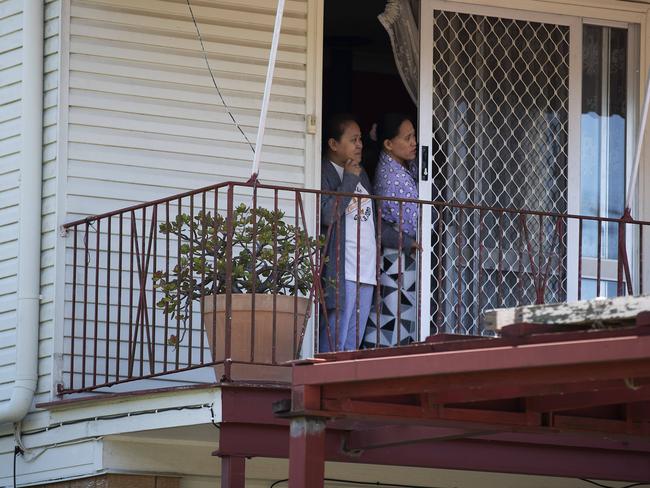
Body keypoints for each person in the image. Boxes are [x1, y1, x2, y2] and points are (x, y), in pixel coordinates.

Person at [319, 114, 376, 352]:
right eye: (353, 140)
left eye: (361, 139)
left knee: (354, 342)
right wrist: (349, 181)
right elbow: (326, 215)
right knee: (334, 342)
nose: (360, 144)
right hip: (344, 269)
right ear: (334, 144)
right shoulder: (324, 172)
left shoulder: (359, 172)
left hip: (367, 269)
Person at [363, 113, 420, 348]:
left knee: (398, 312)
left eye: (414, 135)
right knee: (393, 313)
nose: (414, 142)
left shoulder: (400, 168)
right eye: (407, 138)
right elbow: (409, 217)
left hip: (401, 252)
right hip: (395, 254)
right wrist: (410, 242)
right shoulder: (390, 177)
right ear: (388, 144)